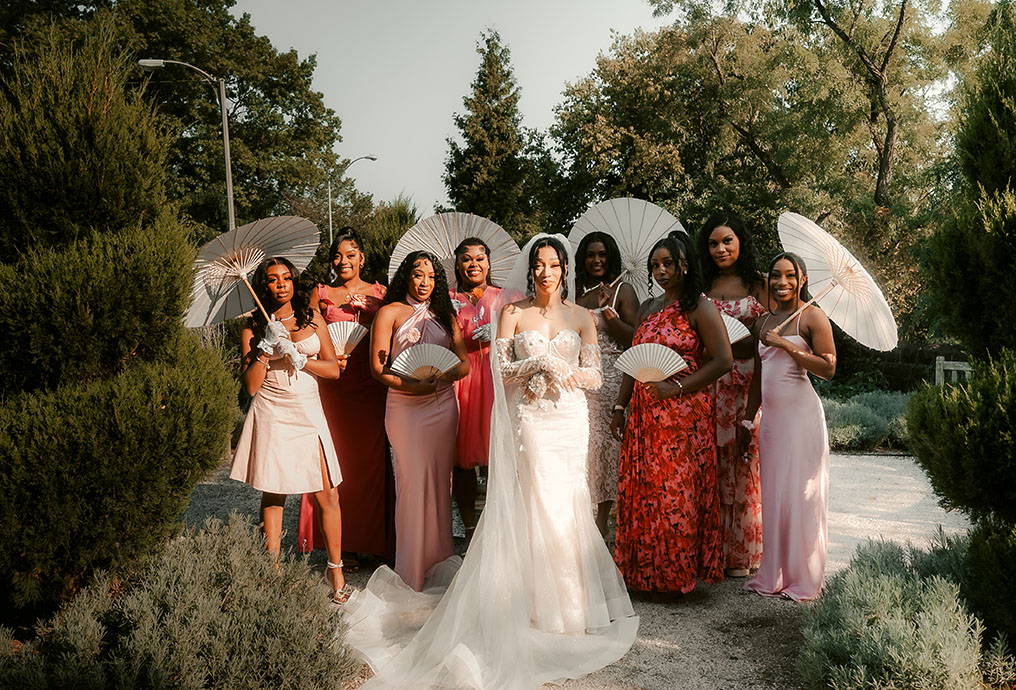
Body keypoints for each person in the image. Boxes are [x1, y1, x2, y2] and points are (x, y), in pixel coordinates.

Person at [341, 234, 638, 690]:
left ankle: (572, 606)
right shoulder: (512, 314)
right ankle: (532, 602)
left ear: (564, 270)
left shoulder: (581, 317)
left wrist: (564, 371)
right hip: (532, 422)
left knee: (568, 503)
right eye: (537, 265)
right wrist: (534, 368)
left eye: (552, 265)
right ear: (531, 270)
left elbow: (596, 376)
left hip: (568, 419)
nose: (544, 273)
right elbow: (500, 370)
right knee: (536, 499)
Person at [609, 231, 732, 594]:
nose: (661, 271)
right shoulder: (648, 308)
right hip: (646, 415)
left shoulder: (700, 307)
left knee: (676, 493)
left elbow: (723, 360)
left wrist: (676, 387)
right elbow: (635, 362)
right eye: (655, 265)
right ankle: (644, 575)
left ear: (683, 265)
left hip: (684, 412)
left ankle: (675, 577)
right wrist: (620, 407)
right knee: (645, 491)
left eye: (667, 264)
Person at [230, 257, 351, 602]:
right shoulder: (253, 327)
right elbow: (251, 387)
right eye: (272, 279)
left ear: (294, 282)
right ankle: (272, 572)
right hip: (272, 408)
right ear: (263, 285)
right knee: (274, 490)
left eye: (286, 278)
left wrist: (303, 360)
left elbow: (333, 370)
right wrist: (266, 348)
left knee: (327, 492)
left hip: (307, 410)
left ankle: (335, 570)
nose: (281, 284)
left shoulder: (313, 319)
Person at [369, 250, 470, 592]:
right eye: (417, 274)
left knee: (442, 486)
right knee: (411, 484)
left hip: (442, 405)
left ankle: (437, 561)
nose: (424, 282)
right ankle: (410, 570)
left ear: (438, 281)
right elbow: (377, 368)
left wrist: (439, 374)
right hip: (404, 407)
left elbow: (464, 365)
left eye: (431, 276)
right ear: (405, 277)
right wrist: (411, 383)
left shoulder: (446, 314)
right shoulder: (390, 312)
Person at [298, 227, 395, 573]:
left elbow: (394, 333)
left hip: (370, 387)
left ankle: (378, 541)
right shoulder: (321, 294)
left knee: (371, 463)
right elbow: (306, 335)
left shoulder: (380, 293)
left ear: (362, 258)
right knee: (337, 464)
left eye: (350, 255)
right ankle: (346, 544)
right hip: (333, 389)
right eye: (337, 256)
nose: (343, 261)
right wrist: (328, 354)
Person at [743, 252, 835, 601]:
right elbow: (757, 377)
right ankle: (775, 573)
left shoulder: (813, 317)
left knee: (802, 497)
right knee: (776, 495)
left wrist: (784, 344)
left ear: (802, 280)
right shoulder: (764, 321)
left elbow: (828, 369)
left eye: (790, 276)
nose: (782, 282)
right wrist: (748, 418)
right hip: (773, 423)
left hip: (801, 419)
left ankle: (806, 577)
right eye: (775, 276)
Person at [697, 212, 768, 577]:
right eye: (713, 243)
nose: (721, 248)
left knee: (745, 459)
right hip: (710, 382)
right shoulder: (701, 285)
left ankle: (742, 553)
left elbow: (773, 334)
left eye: (727, 240)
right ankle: (712, 551)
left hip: (748, 383)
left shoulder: (759, 284)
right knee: (711, 462)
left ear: (741, 241)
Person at [574, 231, 639, 537]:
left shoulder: (622, 291)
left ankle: (603, 521)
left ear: (611, 257)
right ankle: (580, 515)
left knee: (608, 451)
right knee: (583, 449)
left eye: (602, 254)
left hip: (611, 378)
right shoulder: (572, 292)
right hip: (578, 380)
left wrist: (611, 318)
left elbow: (636, 339)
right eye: (591, 254)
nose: (597, 260)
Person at [449, 238, 502, 543]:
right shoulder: (448, 298)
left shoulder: (504, 297)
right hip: (463, 378)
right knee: (462, 460)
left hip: (495, 378)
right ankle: (469, 527)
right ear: (457, 264)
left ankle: (497, 524)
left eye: (480, 258)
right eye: (467, 259)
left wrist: (499, 331)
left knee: (498, 455)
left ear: (489, 263)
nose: (474, 264)